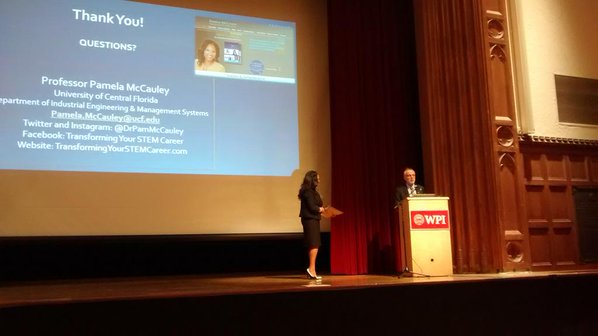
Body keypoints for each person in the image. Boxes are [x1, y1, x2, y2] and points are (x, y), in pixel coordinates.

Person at [298, 170, 325, 280]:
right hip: (310, 219)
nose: (319, 181)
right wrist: (321, 209)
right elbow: (312, 207)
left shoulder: (312, 191)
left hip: (313, 219)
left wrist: (324, 210)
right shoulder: (307, 191)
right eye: (317, 179)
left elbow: (317, 204)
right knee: (314, 243)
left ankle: (312, 270)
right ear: (312, 180)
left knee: (315, 244)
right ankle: (311, 269)